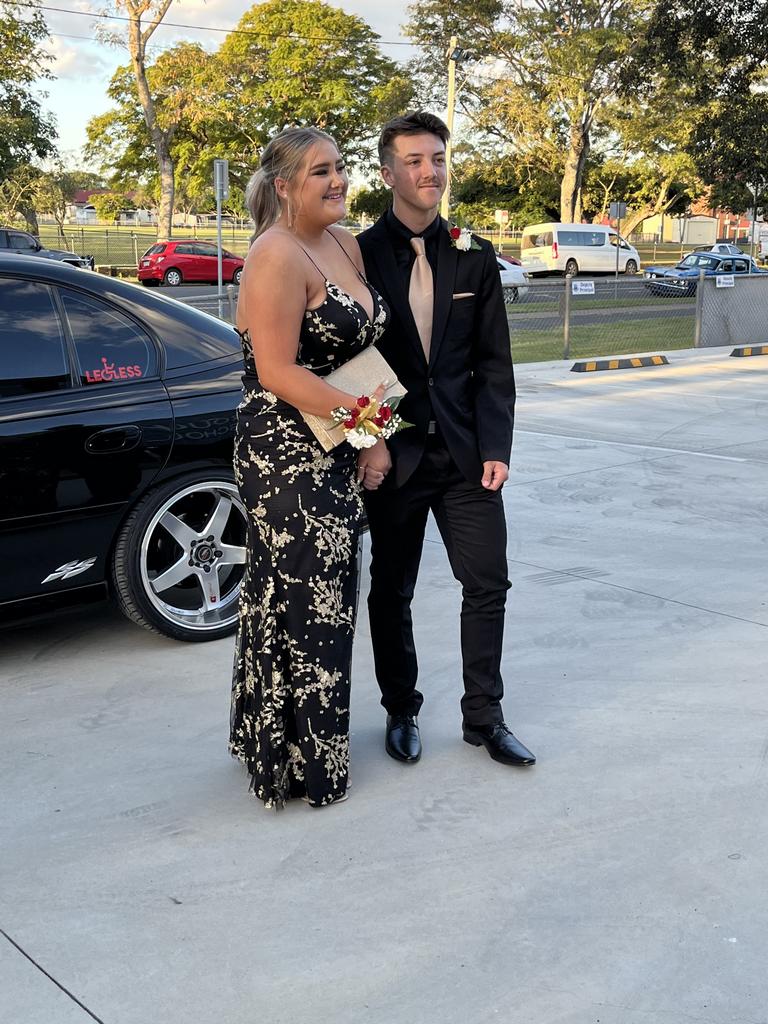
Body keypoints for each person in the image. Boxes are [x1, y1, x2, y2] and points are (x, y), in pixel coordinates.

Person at [357, 111, 536, 768]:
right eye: (413, 160)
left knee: (488, 581)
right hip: (394, 454)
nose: (428, 171)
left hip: (465, 454)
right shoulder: (359, 253)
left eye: (436, 158)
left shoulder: (473, 253)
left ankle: (484, 717)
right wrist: (369, 441)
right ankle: (400, 709)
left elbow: (494, 362)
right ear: (387, 173)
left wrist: (497, 447)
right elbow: (350, 359)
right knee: (391, 589)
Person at [229, 126, 391, 809]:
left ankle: (289, 740)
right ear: (285, 185)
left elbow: (354, 355)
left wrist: (368, 439)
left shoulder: (344, 243)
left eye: (340, 168)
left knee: (320, 600)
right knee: (311, 608)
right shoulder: (274, 254)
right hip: (283, 453)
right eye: (322, 171)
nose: (338, 181)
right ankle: (300, 764)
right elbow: (277, 371)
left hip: (335, 440)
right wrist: (372, 429)